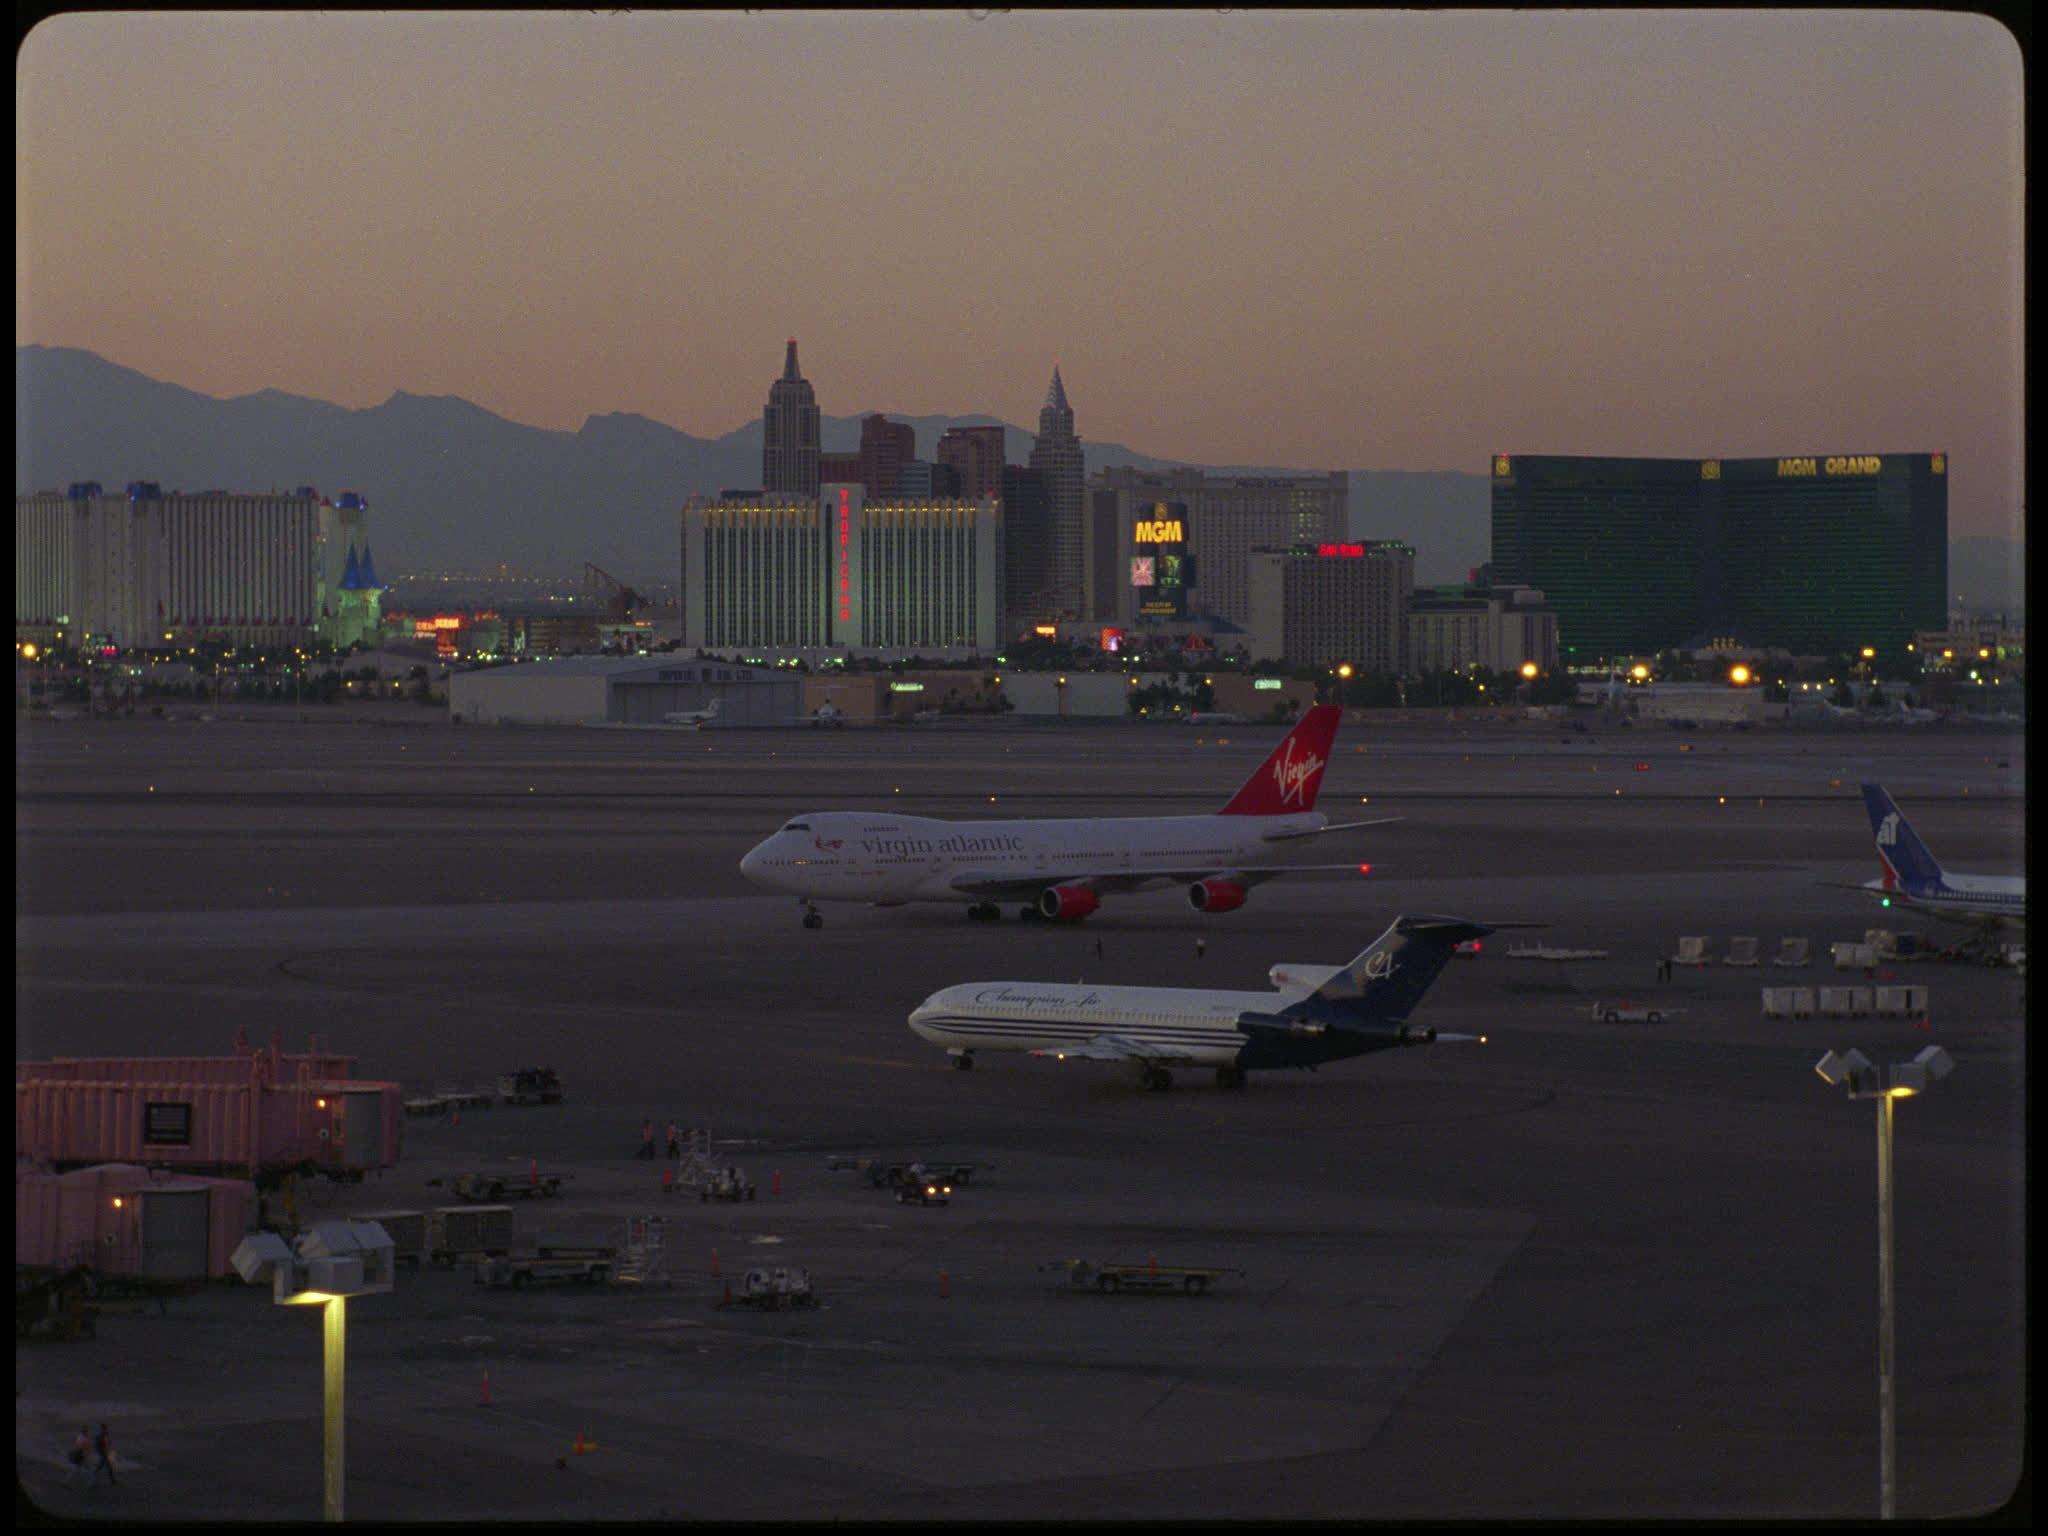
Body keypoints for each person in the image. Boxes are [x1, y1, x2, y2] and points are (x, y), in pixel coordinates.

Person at [89, 1423, 116, 1488]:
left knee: (104, 1467)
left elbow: (108, 1443)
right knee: (106, 1467)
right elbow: (98, 1446)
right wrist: (102, 1451)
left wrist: (109, 1449)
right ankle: (92, 1481)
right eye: (106, 1429)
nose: (107, 1430)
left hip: (105, 1453)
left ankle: (112, 1481)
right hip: (103, 1454)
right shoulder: (100, 1436)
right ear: (103, 1429)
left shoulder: (105, 1435)